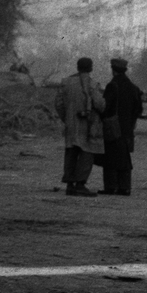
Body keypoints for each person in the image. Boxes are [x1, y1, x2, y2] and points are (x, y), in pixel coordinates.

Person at [55, 57, 106, 196]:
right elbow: (100, 105)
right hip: (87, 126)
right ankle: (80, 184)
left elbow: (58, 104)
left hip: (71, 125)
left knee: (71, 153)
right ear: (91, 68)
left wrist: (67, 118)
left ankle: (70, 184)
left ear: (77, 67)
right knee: (86, 154)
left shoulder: (65, 83)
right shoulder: (92, 84)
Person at [101, 57, 143, 196]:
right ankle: (125, 187)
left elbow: (105, 106)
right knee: (124, 157)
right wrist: (130, 121)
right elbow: (139, 109)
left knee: (110, 158)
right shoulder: (133, 87)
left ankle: (111, 187)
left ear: (113, 70)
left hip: (113, 127)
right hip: (127, 128)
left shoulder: (112, 86)